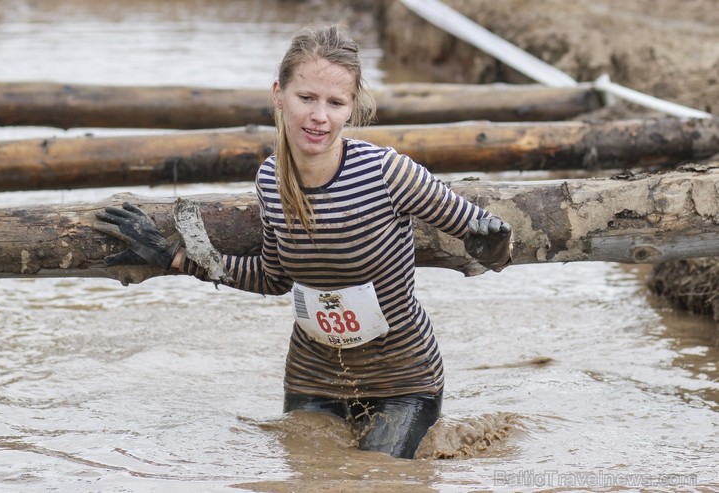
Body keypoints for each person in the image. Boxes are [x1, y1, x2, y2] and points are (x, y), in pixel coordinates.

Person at [93, 24, 512, 459]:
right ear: (279, 94)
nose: (320, 117)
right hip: (312, 380)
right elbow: (273, 278)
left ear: (352, 108)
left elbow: (483, 232)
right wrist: (175, 258)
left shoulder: (387, 172)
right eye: (306, 98)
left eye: (335, 102)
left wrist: (495, 246)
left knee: (377, 481)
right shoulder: (271, 180)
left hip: (402, 382)